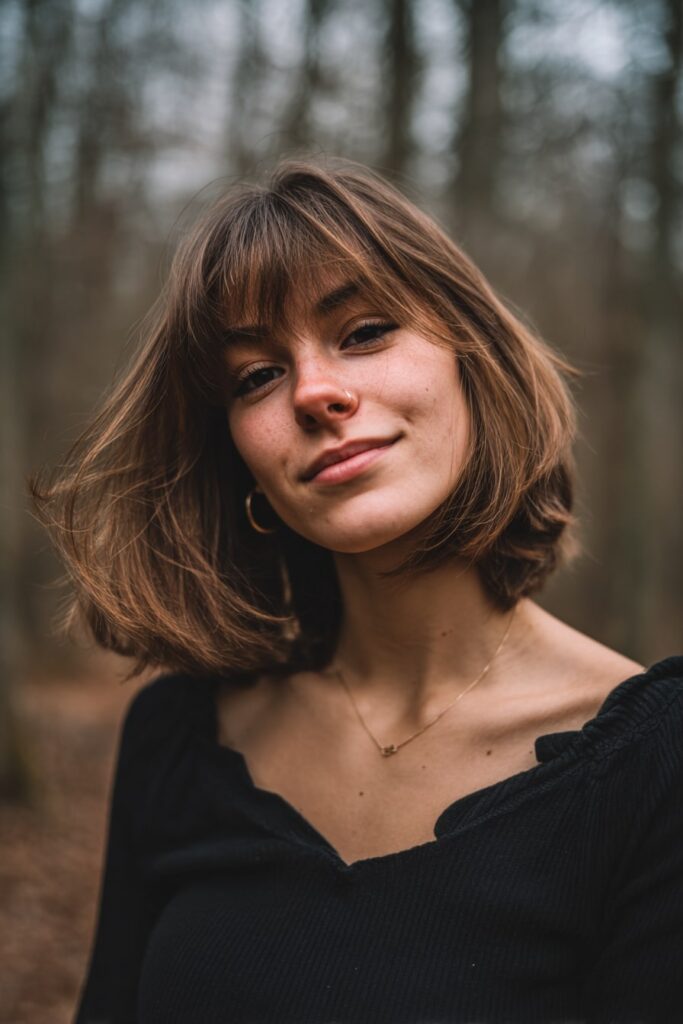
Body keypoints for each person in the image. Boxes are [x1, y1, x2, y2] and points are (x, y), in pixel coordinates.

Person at [32, 157, 683, 1024]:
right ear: (241, 459)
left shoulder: (655, 766)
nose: (314, 392)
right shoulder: (180, 735)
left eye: (365, 330)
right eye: (256, 376)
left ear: (472, 361)